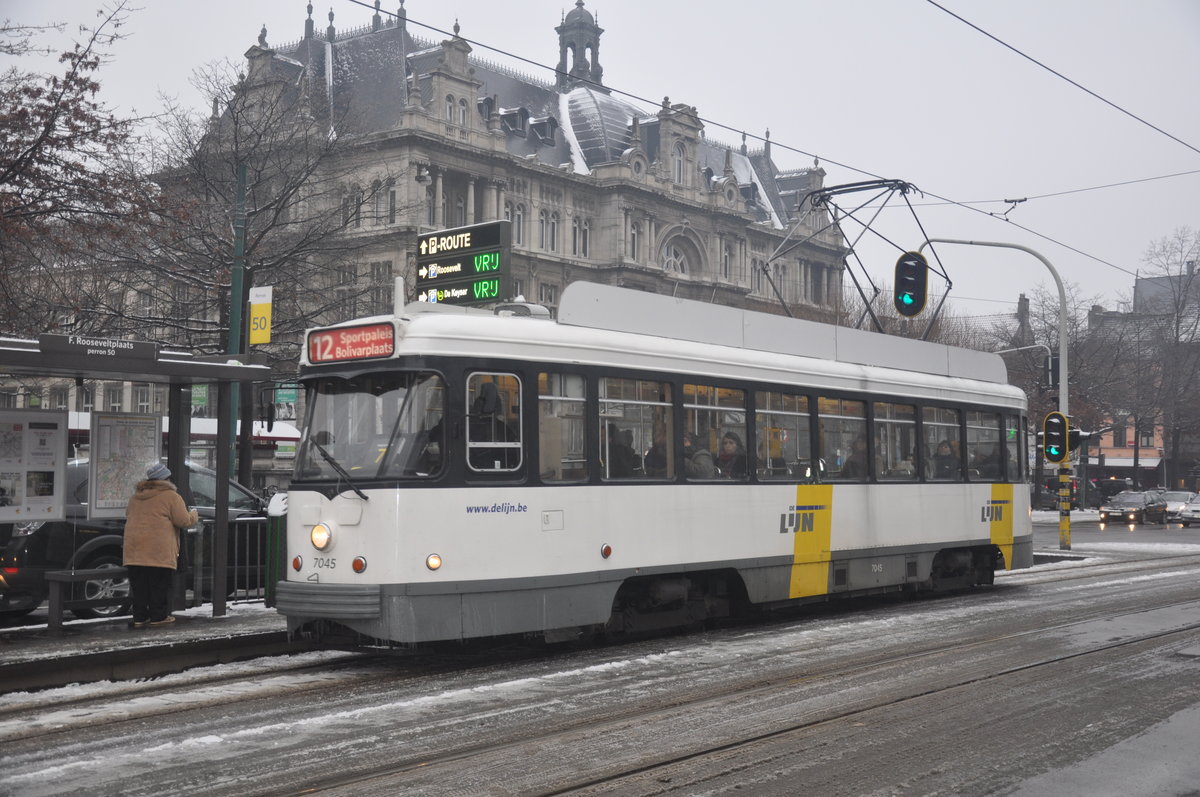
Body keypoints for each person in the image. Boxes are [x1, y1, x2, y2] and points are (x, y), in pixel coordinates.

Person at [123, 463, 198, 628]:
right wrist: (193, 514)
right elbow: (183, 521)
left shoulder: (136, 497)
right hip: (158, 550)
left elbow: (128, 514)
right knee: (159, 585)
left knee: (139, 586)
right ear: (166, 479)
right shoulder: (171, 496)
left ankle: (139, 618)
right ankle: (158, 617)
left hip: (134, 549)